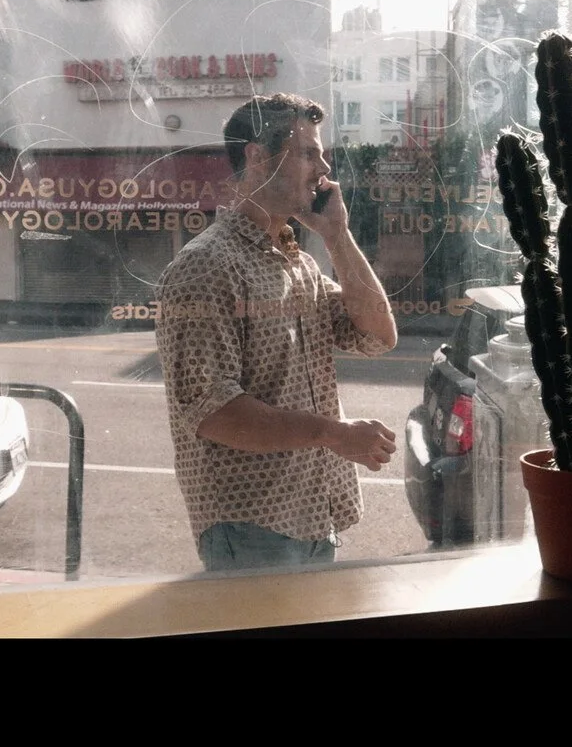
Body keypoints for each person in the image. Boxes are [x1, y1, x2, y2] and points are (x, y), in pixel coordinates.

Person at [155, 92, 399, 572]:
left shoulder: (299, 264)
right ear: (257, 156)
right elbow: (213, 411)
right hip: (251, 530)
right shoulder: (207, 266)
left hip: (313, 518)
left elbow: (377, 335)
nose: (323, 168)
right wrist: (334, 435)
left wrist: (337, 235)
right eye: (308, 152)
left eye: (321, 154)